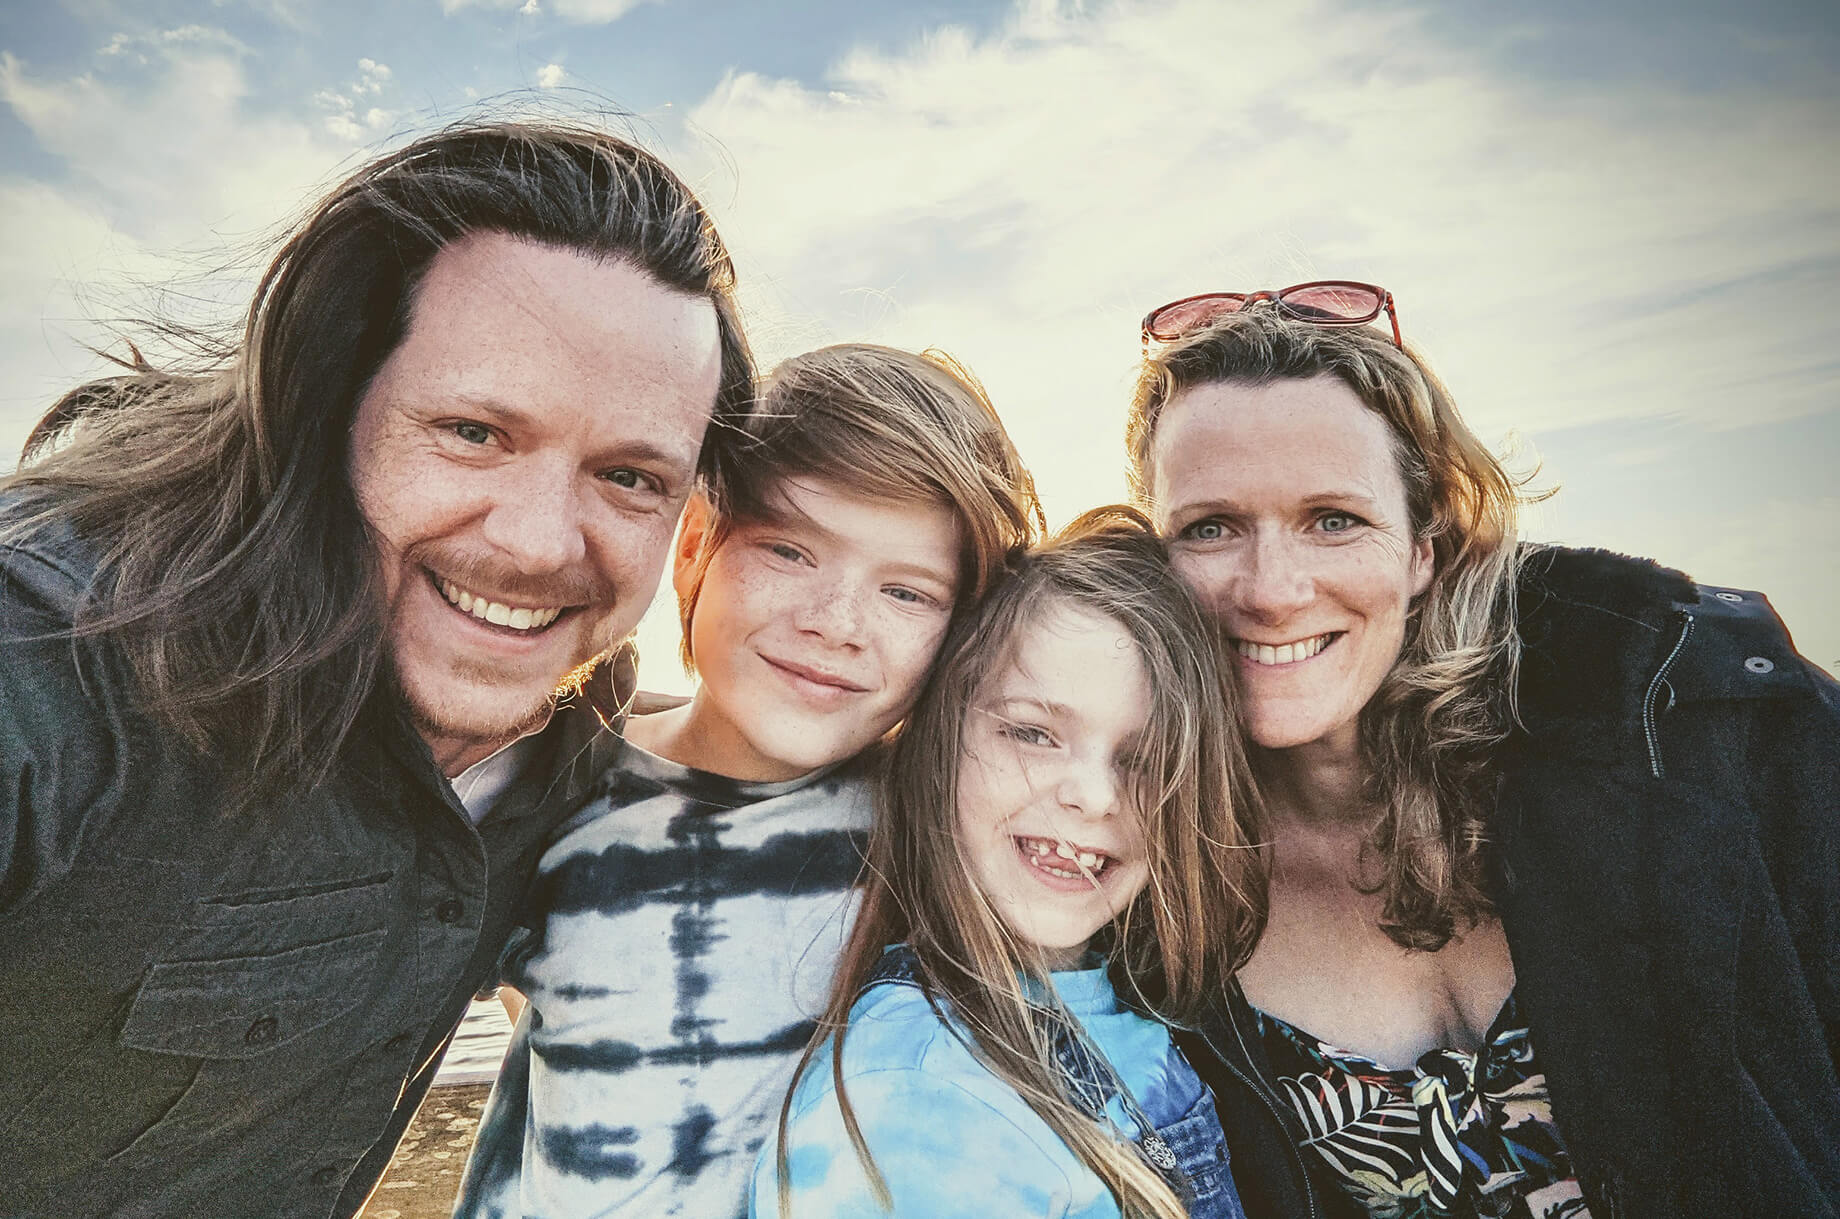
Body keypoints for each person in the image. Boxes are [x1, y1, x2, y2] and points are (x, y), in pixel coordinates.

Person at [0, 121, 752, 1219]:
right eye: (474, 431)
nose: (542, 543)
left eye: (630, 477)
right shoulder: (57, 656)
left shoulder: (584, 748)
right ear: (327, 404)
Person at [1125, 286, 1840, 1219]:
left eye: (1333, 518)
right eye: (1210, 527)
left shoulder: (1694, 731)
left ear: (1425, 547)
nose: (1272, 590)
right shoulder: (1134, 878)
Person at [453, 342, 1044, 1218]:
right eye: (790, 552)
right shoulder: (548, 784)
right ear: (694, 546)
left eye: (908, 593)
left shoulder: (951, 821)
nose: (835, 623)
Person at [754, 508, 1267, 1219]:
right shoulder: (917, 1100)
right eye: (1033, 732)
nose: (1093, 794)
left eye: (1144, 760)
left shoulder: (1118, 996)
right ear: (941, 737)